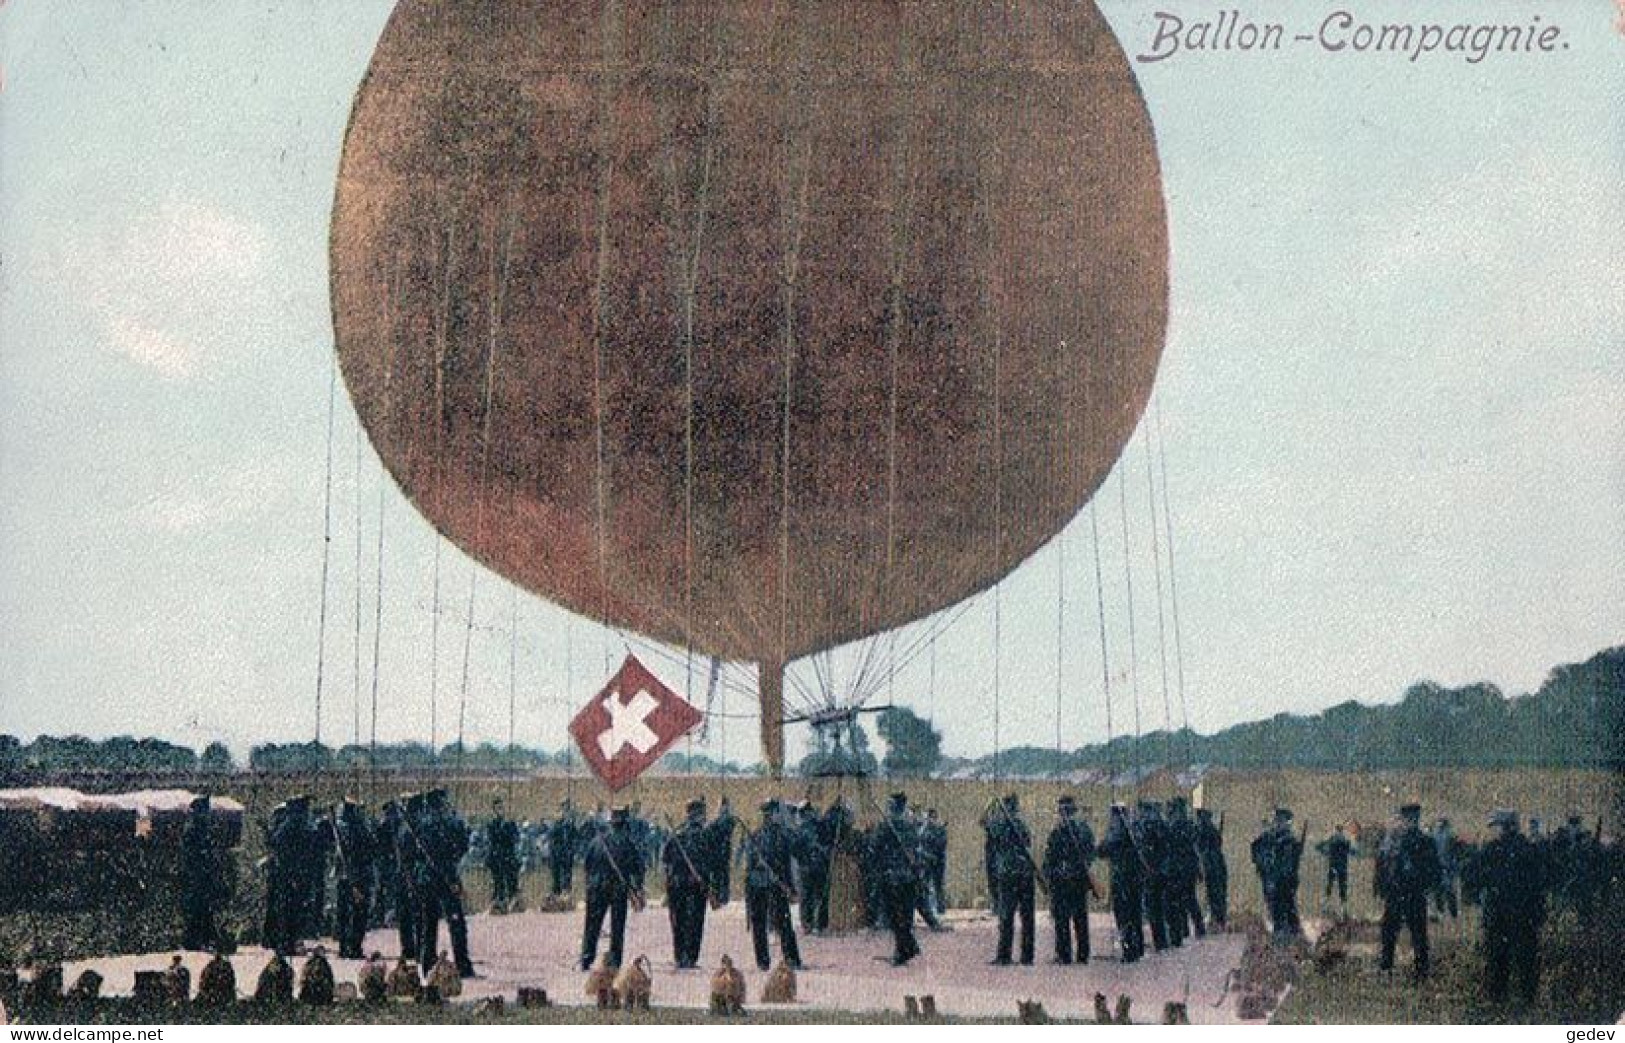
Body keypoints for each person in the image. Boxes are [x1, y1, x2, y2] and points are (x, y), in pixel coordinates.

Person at [1472, 809, 1546, 1004]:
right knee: (1525, 958)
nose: (1493, 830)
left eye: (1495, 826)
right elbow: (1540, 883)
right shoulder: (1529, 848)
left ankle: (1499, 997)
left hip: (1500, 913)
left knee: (1498, 957)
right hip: (1524, 913)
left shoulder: (1491, 850)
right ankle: (1527, 996)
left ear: (1505, 827)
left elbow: (1476, 877)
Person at [412, 789, 475, 979]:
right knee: (456, 923)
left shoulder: (422, 823)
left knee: (428, 924)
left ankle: (427, 964)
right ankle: (462, 965)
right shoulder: (448, 822)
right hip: (446, 878)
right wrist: (453, 880)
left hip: (426, 879)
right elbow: (459, 848)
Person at [1376, 803, 1440, 979]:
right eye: (1407, 819)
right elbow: (1383, 865)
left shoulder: (1422, 841)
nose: (1409, 822)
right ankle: (1390, 966)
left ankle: (1417, 968)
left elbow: (1433, 870)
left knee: (1415, 933)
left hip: (1410, 893)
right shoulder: (1394, 841)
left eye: (1412, 819)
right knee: (1393, 932)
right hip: (1400, 893)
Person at [580, 806, 645, 971]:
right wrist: (637, 889)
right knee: (617, 927)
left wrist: (591, 883)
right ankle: (615, 961)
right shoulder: (627, 842)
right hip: (617, 889)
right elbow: (638, 868)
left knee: (592, 925)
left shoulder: (596, 841)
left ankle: (586, 958)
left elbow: (586, 865)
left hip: (595, 888)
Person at [740, 800, 802, 972]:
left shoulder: (762, 835)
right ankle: (785, 960)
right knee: (778, 923)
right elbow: (783, 865)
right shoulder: (774, 835)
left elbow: (784, 863)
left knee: (770, 924)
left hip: (767, 885)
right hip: (766, 885)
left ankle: (768, 961)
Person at [869, 792, 922, 965]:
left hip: (892, 876)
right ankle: (905, 949)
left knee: (894, 916)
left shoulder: (886, 826)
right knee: (905, 916)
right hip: (909, 876)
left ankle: (905, 949)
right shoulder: (911, 825)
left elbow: (874, 848)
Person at [984, 793, 1036, 965]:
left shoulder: (999, 824)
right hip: (1026, 873)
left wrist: (992, 807)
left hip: (1008, 874)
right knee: (1027, 917)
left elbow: (984, 822)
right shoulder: (1022, 825)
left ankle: (1004, 955)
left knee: (1006, 916)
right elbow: (1028, 842)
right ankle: (1027, 956)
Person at [1042, 796, 1095, 965]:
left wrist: (1049, 875)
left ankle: (1064, 955)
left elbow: (1050, 857)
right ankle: (1083, 954)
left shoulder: (1058, 830)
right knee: (1080, 918)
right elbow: (1091, 853)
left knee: (1062, 919)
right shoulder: (1085, 829)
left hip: (1062, 880)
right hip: (1079, 879)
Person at [662, 799, 714, 969]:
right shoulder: (705, 835)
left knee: (678, 921)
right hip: (696, 885)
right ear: (699, 815)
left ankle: (679, 956)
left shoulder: (676, 834)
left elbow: (666, 861)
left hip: (676, 885)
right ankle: (690, 957)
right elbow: (711, 862)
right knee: (695, 921)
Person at [1098, 803, 1146, 963]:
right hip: (1135, 879)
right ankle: (1137, 948)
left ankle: (1129, 951)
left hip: (1122, 879)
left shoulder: (1118, 830)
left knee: (1124, 917)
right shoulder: (1136, 829)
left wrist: (1102, 844)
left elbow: (1103, 850)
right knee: (1135, 914)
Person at [332, 798, 376, 960]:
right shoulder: (358, 830)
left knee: (344, 913)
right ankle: (354, 947)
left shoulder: (341, 828)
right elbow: (366, 852)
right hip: (358, 876)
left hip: (344, 877)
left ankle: (344, 947)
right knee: (358, 914)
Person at [180, 795, 225, 951]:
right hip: (197, 875)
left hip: (202, 875)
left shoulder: (202, 828)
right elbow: (193, 854)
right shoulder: (194, 828)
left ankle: (204, 938)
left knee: (203, 908)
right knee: (198, 908)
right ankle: (196, 939)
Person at [1252, 808, 1304, 941]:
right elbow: (1257, 849)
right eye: (1278, 820)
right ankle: (1284, 934)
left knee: (1286, 906)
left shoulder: (1289, 840)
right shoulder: (1270, 837)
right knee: (1275, 905)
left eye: (1282, 821)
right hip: (1274, 878)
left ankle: (1290, 934)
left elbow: (1290, 862)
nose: (1279, 823)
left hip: (1285, 879)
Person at [1136, 800, 1174, 949]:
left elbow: (1149, 850)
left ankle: (1160, 941)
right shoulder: (1163, 825)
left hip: (1153, 872)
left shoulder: (1149, 827)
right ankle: (1162, 940)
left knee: (1154, 908)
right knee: (1160, 907)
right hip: (1162, 871)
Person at [1166, 797, 1205, 940]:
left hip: (1179, 868)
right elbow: (1196, 849)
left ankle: (1185, 930)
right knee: (1190, 899)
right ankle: (1198, 928)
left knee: (1181, 900)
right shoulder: (1190, 825)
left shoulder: (1174, 826)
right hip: (1190, 867)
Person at [794, 802, 831, 935]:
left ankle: (817, 925)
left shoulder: (820, 827)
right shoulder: (804, 829)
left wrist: (823, 852)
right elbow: (796, 850)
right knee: (809, 897)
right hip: (810, 867)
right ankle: (810, 925)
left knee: (817, 896)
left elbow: (829, 844)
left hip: (817, 867)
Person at [1194, 808, 1228, 929]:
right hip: (1215, 865)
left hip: (1212, 865)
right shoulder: (1210, 829)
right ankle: (1218, 919)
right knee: (1217, 894)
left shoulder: (1204, 830)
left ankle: (1217, 919)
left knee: (1215, 894)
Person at [485, 798, 521, 912]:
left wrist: (506, 830)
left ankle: (512, 899)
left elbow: (515, 838)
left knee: (511, 880)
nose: (500, 810)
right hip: (497, 857)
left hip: (508, 856)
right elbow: (492, 839)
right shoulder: (491, 824)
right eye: (498, 808)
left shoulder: (510, 823)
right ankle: (499, 901)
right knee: (498, 881)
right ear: (494, 810)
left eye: (502, 808)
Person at [1431, 817, 1461, 920]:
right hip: (1444, 867)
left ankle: (1445, 912)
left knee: (1443, 891)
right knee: (1446, 891)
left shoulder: (1435, 834)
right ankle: (1451, 913)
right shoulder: (1450, 835)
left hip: (1443, 867)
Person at [1317, 824, 1353, 909]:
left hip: (1334, 865)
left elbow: (1319, 846)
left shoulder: (1333, 840)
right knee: (1341, 886)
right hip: (1342, 867)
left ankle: (1329, 903)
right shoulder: (1345, 841)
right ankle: (1343, 906)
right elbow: (1353, 852)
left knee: (1331, 885)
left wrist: (1326, 852)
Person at [549, 800, 580, 897]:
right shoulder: (556, 824)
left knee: (567, 874)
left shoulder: (570, 824)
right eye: (563, 808)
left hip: (567, 852)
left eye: (566, 808)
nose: (564, 811)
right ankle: (556, 892)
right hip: (557, 852)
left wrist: (573, 850)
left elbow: (575, 837)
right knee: (556, 874)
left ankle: (566, 892)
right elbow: (552, 837)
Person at [922, 808, 949, 916]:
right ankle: (927, 908)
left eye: (932, 818)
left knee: (938, 885)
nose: (930, 820)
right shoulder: (924, 830)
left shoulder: (940, 830)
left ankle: (940, 907)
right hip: (927, 860)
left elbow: (942, 844)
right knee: (926, 885)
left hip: (938, 861)